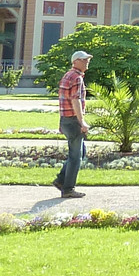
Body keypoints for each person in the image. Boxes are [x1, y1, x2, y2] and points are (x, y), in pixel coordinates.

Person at [53, 51, 91, 199]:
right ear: (75, 61)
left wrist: (61, 122)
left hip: (66, 119)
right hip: (73, 120)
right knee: (76, 156)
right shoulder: (76, 78)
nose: (87, 62)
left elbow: (63, 100)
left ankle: (61, 181)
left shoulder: (67, 76)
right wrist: (82, 122)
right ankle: (68, 189)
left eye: (87, 59)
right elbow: (75, 101)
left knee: (79, 153)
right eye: (84, 60)